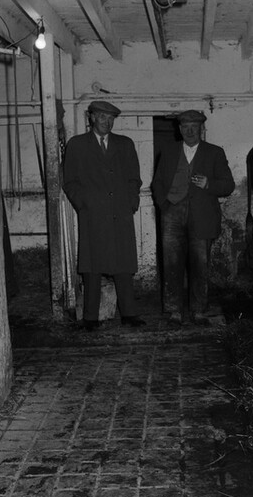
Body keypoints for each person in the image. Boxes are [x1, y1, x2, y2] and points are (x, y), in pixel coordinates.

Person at [62, 100, 146, 331]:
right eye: (102, 117)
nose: (106, 122)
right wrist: (84, 204)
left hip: (121, 212)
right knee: (92, 266)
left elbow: (134, 178)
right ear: (91, 117)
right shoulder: (77, 145)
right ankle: (90, 317)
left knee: (123, 265)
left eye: (110, 119)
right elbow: (70, 182)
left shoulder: (125, 144)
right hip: (93, 214)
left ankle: (129, 314)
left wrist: (131, 202)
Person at [151, 110, 235, 324]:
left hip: (202, 214)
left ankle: (198, 310)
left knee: (200, 264)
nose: (189, 131)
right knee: (171, 262)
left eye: (194, 127)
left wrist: (209, 184)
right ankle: (173, 310)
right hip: (172, 212)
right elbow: (157, 182)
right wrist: (164, 204)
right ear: (179, 129)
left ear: (201, 129)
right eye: (185, 127)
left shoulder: (214, 152)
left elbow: (228, 185)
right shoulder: (168, 151)